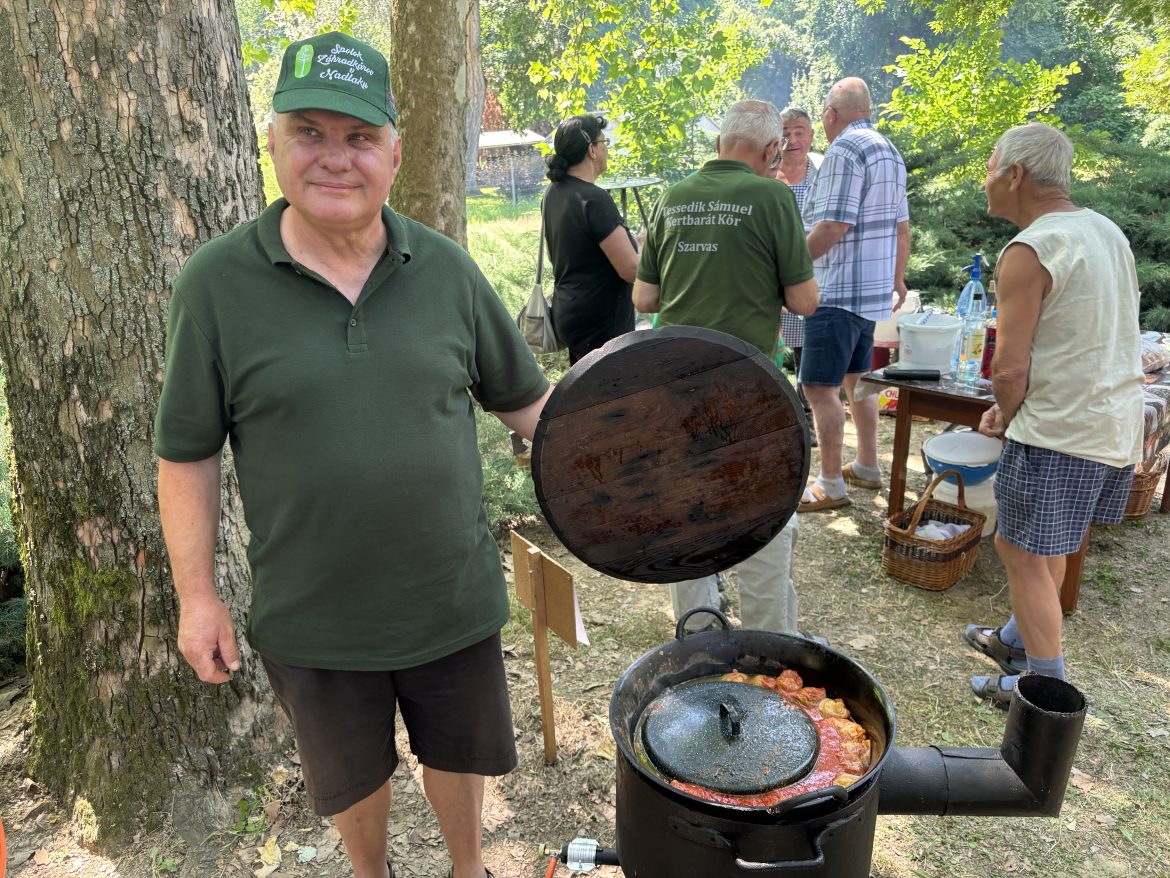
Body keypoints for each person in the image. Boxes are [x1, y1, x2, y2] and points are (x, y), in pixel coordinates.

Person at [154, 32, 552, 878]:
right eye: (310, 132)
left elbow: (532, 408)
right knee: (347, 777)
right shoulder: (216, 284)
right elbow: (185, 452)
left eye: (360, 137)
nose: (336, 158)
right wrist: (197, 597)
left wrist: (626, 480)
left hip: (448, 596)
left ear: (394, 154)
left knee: (460, 752)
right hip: (316, 612)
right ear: (273, 144)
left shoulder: (447, 269)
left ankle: (467, 868)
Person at [966, 123, 1144, 707]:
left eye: (991, 167)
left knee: (1018, 550)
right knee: (1052, 544)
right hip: (1113, 422)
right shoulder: (1106, 231)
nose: (985, 181)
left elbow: (1010, 369)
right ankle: (1016, 640)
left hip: (1058, 428)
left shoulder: (1029, 249)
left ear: (1014, 175)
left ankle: (1042, 683)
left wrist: (1005, 413)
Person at [633, 99, 819, 634]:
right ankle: (768, 643)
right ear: (771, 151)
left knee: (685, 508)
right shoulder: (773, 194)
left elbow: (645, 299)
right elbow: (805, 301)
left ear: (718, 146)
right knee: (762, 509)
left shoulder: (673, 196)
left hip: (674, 383)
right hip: (750, 385)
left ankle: (697, 634)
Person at [797, 77, 910, 512]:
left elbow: (832, 226)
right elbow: (902, 228)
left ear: (830, 114)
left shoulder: (844, 150)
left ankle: (829, 483)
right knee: (857, 382)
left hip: (838, 291)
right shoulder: (890, 151)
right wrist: (897, 279)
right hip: (872, 293)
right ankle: (866, 466)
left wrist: (789, 267)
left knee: (818, 388)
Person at [543, 114, 642, 364]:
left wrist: (637, 242)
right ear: (592, 150)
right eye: (604, 142)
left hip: (570, 316)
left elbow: (581, 250)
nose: (606, 148)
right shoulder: (594, 198)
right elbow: (630, 270)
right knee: (610, 400)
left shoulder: (554, 194)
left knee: (585, 398)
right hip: (602, 328)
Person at [772, 106, 824, 444]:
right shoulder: (766, 174)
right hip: (773, 272)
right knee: (773, 349)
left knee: (808, 350)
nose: (793, 140)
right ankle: (779, 413)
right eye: (786, 133)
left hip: (812, 272)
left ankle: (807, 419)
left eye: (799, 132)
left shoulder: (823, 170)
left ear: (811, 134)